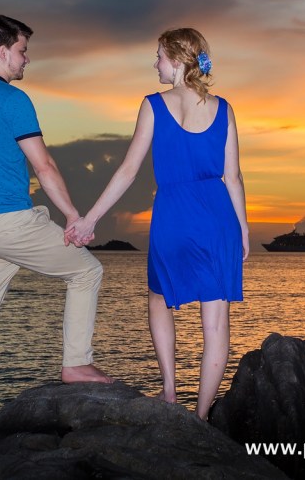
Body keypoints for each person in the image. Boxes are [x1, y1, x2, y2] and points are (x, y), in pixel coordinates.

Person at [66, 27, 248, 420]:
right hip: (219, 219)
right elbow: (233, 177)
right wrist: (244, 231)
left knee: (158, 299)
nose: (155, 63)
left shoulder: (153, 104)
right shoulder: (225, 108)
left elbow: (128, 170)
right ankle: (200, 417)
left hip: (173, 216)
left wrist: (90, 219)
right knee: (215, 320)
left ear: (179, 60)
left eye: (160, 56)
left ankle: (169, 391)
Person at [0, 14, 112, 443]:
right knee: (86, 271)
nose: (26, 60)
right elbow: (44, 165)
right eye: (22, 51)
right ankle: (76, 362)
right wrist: (75, 216)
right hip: (9, 221)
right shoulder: (11, 99)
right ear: (2, 52)